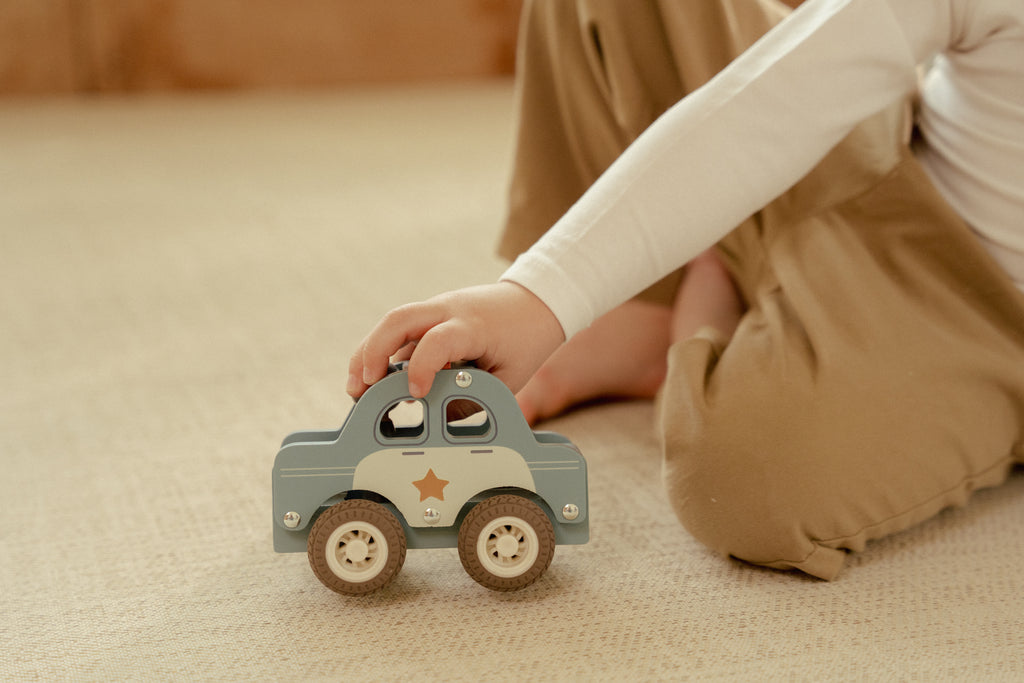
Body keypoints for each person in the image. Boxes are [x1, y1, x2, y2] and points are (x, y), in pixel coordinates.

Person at [348, 0, 1024, 580]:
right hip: (888, 147)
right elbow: (777, 100)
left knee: (752, 481)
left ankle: (706, 302)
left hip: (985, 320)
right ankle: (643, 306)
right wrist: (538, 295)